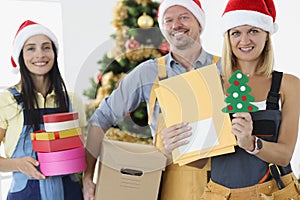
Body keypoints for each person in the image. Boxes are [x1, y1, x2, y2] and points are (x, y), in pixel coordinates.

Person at [83, 0, 222, 199]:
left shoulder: (225, 69)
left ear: (199, 23)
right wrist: (88, 176)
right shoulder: (148, 73)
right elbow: (101, 118)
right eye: (169, 20)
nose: (176, 25)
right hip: (168, 185)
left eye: (184, 17)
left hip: (222, 183)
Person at [161, 0, 300, 199]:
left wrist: (251, 143)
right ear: (227, 38)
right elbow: (200, 161)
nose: (244, 40)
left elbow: (285, 154)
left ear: (266, 35)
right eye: (236, 33)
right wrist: (171, 148)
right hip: (220, 195)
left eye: (253, 31)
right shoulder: (209, 85)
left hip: (274, 193)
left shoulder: (288, 85)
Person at [0, 20, 87, 200]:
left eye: (46, 47)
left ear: (54, 53)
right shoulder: (6, 101)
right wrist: (18, 164)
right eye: (31, 48)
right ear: (20, 56)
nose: (40, 55)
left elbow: (83, 154)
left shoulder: (72, 101)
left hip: (71, 194)